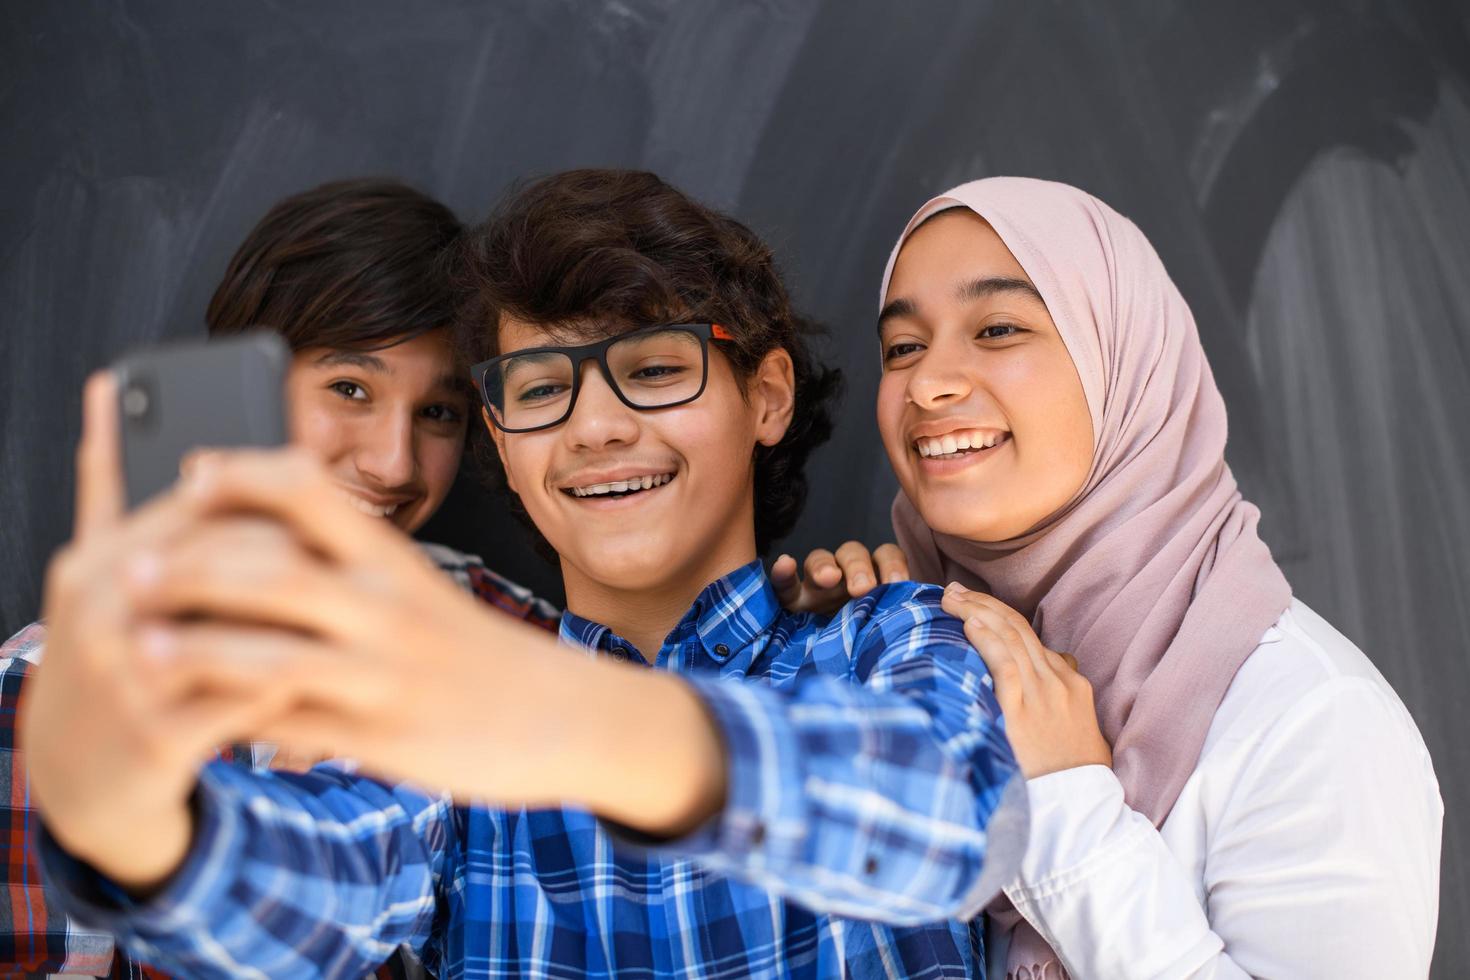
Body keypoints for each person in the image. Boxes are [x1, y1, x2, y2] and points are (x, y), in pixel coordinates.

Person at [24, 169, 1027, 979]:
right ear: (500, 443)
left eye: (656, 368)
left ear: (764, 395)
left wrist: (575, 721)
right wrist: (137, 824)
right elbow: (323, 881)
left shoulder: (886, 631)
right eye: (542, 388)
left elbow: (959, 818)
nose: (594, 426)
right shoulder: (449, 726)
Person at [871, 176, 1443, 977]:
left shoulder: (1310, 720)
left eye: (998, 328)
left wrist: (1070, 801)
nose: (929, 384)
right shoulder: (911, 660)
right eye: (903, 347)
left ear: (1127, 363)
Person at [0, 177, 557, 978]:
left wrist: (782, 620)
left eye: (437, 412)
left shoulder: (495, 627)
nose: (393, 463)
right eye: (350, 389)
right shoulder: (60, 686)